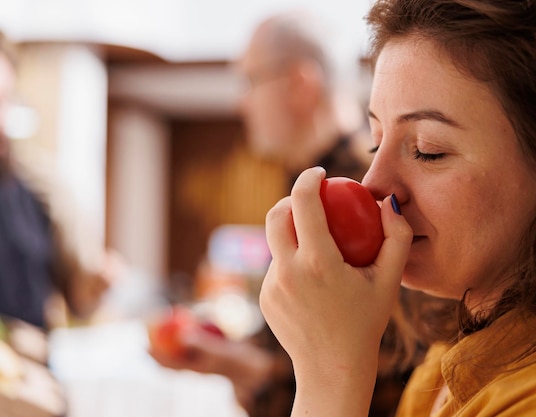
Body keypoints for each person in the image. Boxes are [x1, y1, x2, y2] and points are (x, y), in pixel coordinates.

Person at [259, 0, 536, 416]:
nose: (372, 185)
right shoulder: (445, 362)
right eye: (376, 142)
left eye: (427, 150)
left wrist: (330, 375)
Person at [148, 9, 457, 417]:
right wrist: (234, 355)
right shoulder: (311, 187)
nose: (241, 103)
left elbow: (403, 368)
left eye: (250, 81)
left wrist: (246, 368)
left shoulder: (365, 197)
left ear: (299, 84)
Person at [0, 31, 119, 334]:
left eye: (3, 100)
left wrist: (96, 284)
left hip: (25, 374)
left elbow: (78, 301)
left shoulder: (39, 185)